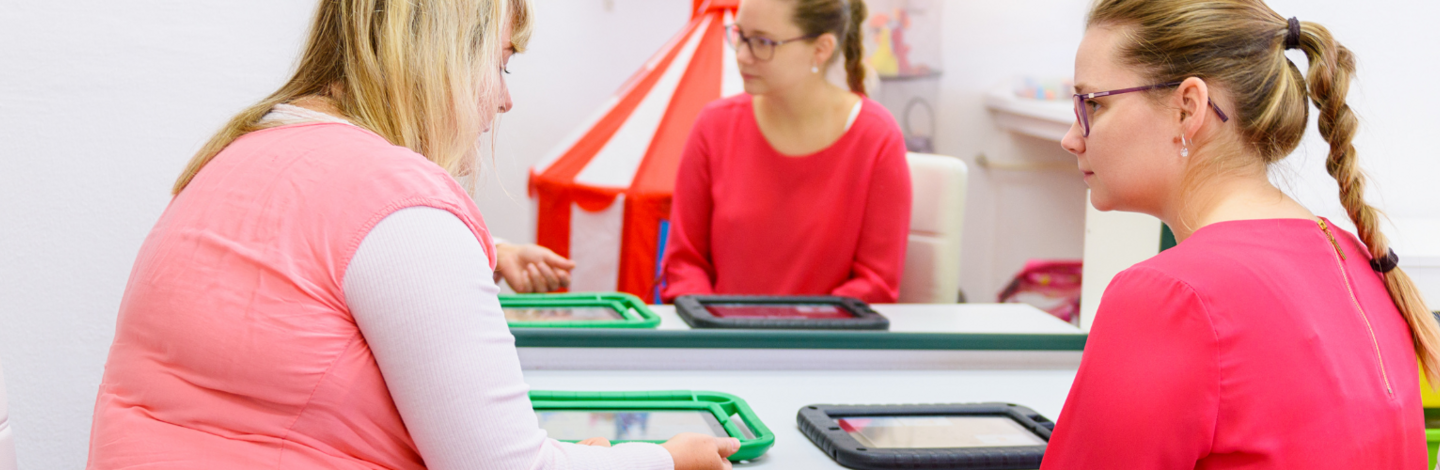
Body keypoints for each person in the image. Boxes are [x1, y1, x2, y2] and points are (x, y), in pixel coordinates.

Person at [86, 1, 737, 468]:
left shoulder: (234, 156)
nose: (503, 102)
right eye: (502, 65)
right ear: (446, 50)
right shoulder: (403, 207)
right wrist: (664, 459)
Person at [1043, 0, 1437, 467]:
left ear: (1187, 108)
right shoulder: (1357, 259)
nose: (1072, 137)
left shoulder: (1170, 297)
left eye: (1093, 105)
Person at [660, 0, 912, 304]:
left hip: (826, 346)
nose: (742, 55)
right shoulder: (714, 126)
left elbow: (875, 284)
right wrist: (717, 329)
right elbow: (683, 264)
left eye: (763, 42)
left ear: (821, 49)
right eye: (740, 36)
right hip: (721, 343)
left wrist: (790, 334)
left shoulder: (877, 138)